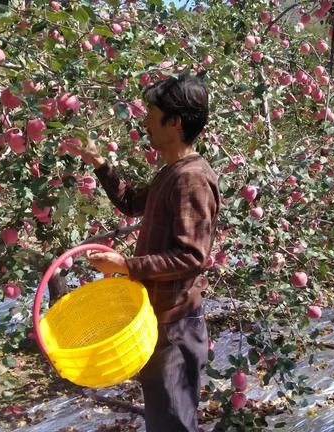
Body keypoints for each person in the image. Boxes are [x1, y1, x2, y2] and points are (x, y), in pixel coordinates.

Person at [67, 72, 220, 432]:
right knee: (163, 419)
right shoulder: (173, 172)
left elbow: (191, 257)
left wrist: (126, 265)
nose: (145, 121)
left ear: (175, 121)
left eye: (151, 113)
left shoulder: (191, 179)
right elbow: (133, 202)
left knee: (173, 425)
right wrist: (100, 164)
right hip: (160, 322)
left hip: (176, 326)